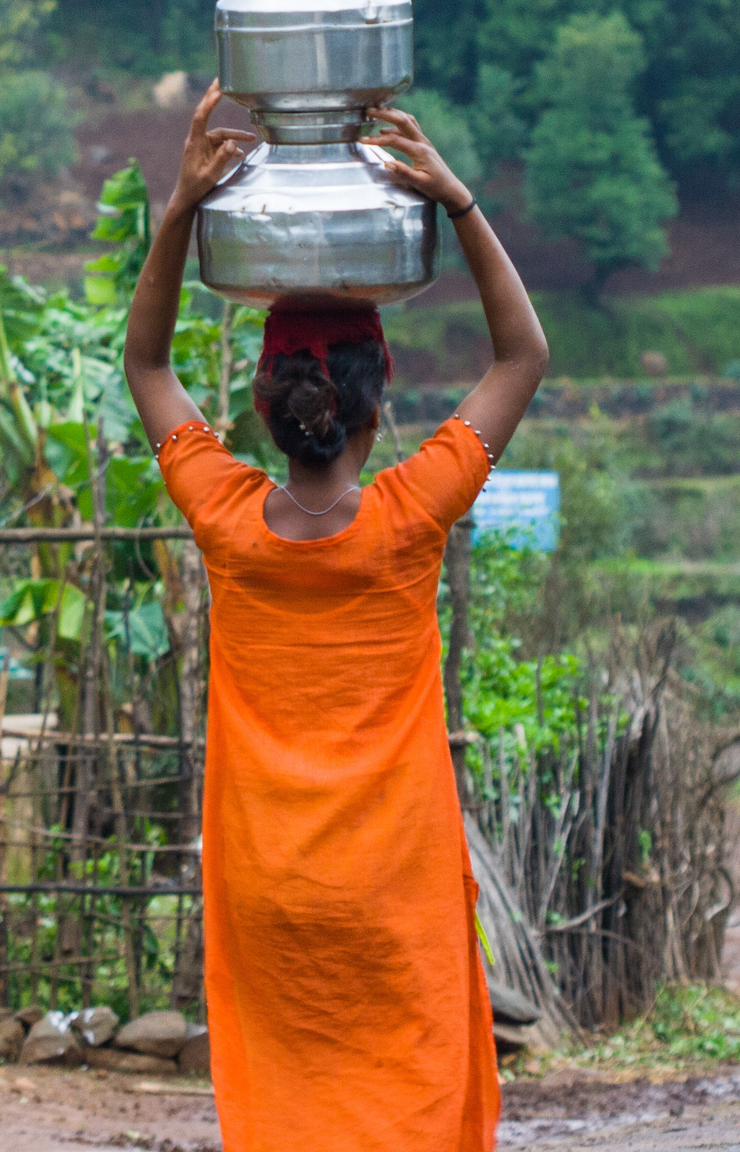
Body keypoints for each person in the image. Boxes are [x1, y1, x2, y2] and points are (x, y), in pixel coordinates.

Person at [123, 86, 548, 1150]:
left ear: (262, 405)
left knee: (294, 1109)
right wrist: (455, 200)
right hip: (390, 883)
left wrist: (180, 207)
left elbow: (147, 363)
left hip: (270, 884)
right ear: (380, 394)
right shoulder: (412, 517)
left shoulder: (226, 517)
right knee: (400, 1100)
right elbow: (521, 356)